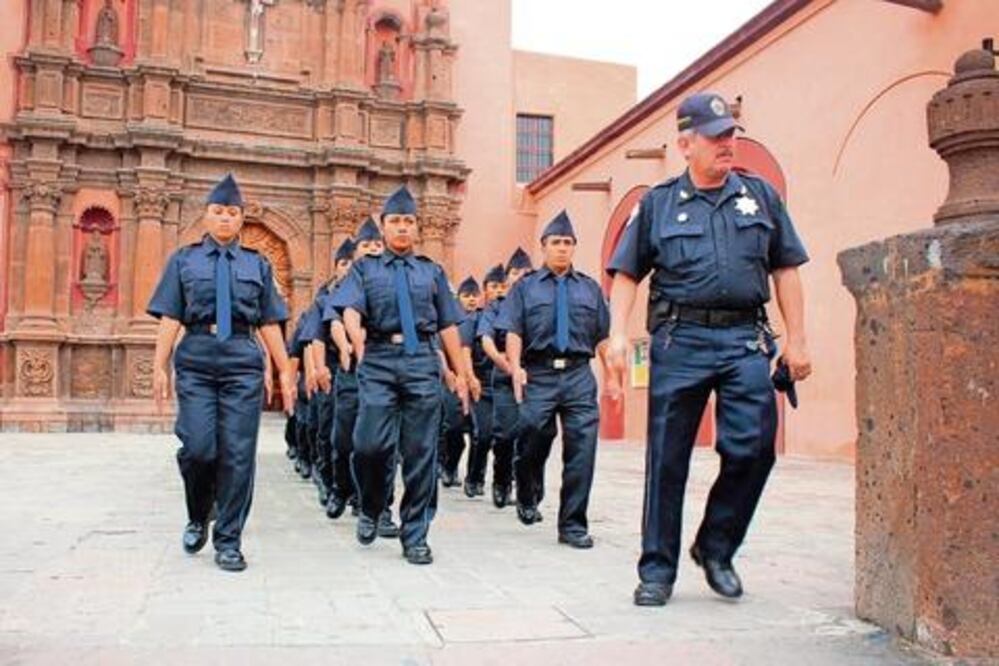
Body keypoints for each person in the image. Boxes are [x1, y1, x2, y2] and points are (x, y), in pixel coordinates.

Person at [605, 92, 812, 606]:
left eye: (731, 133)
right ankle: (657, 571)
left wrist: (797, 339)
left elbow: (785, 268)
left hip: (745, 339)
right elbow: (626, 273)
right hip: (680, 341)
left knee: (755, 448)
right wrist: (616, 332)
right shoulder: (655, 204)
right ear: (685, 144)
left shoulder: (760, 196)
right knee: (667, 459)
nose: (728, 143)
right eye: (717, 135)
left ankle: (716, 546)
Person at [147, 173, 295, 572]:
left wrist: (284, 371)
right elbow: (171, 315)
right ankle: (198, 513)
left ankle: (228, 539)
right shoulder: (184, 260)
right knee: (198, 449)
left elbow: (268, 322)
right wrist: (159, 365)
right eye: (218, 212)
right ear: (207, 216)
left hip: (242, 360)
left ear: (241, 218)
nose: (226, 219)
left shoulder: (257, 265)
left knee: (237, 453)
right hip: (196, 357)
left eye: (233, 212)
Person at [331, 186, 474, 565]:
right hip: (378, 359)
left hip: (421, 360)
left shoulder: (431, 271)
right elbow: (350, 309)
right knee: (369, 446)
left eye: (409, 221)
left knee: (420, 453)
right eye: (395, 221)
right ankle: (372, 506)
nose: (402, 228)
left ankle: (415, 534)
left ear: (417, 226)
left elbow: (447, 326)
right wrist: (356, 339)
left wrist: (459, 374)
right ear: (383, 227)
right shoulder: (365, 268)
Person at [496, 212, 610, 549]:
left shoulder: (590, 289)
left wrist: (615, 376)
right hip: (539, 373)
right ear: (543, 247)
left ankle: (572, 525)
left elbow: (602, 336)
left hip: (578, 374)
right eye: (555, 243)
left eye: (567, 243)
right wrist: (516, 367)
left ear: (574, 247)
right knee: (531, 435)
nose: (562, 248)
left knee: (582, 450)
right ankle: (527, 488)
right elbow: (514, 330)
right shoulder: (525, 288)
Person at [440, 277, 480, 489]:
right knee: (453, 428)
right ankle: (449, 466)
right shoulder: (448, 321)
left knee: (479, 432)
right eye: (467, 296)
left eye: (475, 295)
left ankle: (474, 478)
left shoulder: (483, 319)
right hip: (452, 381)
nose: (471, 300)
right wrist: (447, 373)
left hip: (478, 382)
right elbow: (440, 350)